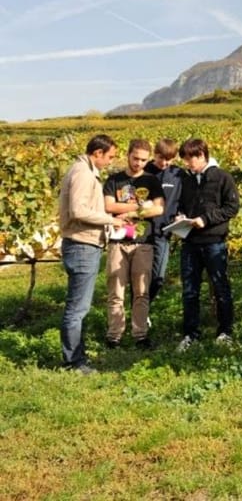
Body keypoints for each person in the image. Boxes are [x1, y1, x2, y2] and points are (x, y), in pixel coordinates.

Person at [58, 134, 127, 374]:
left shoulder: (83, 171)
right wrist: (111, 220)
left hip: (82, 245)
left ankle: (76, 357)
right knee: (77, 308)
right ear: (97, 153)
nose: (110, 161)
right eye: (109, 157)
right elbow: (78, 210)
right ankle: (73, 363)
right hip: (82, 246)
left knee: (78, 307)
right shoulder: (83, 174)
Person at [175, 139, 240, 352]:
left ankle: (225, 332)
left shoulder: (222, 177)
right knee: (189, 290)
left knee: (221, 288)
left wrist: (206, 219)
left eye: (190, 159)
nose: (187, 164)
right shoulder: (187, 180)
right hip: (190, 242)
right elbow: (183, 205)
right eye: (184, 159)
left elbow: (231, 207)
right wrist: (182, 216)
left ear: (202, 155)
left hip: (214, 242)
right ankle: (190, 334)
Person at [102, 139, 165, 349]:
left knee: (141, 291)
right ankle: (114, 336)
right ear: (128, 155)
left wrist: (130, 212)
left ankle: (140, 335)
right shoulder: (114, 180)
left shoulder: (152, 181)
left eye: (143, 160)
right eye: (135, 158)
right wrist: (137, 208)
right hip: (117, 241)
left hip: (143, 243)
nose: (139, 163)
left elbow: (158, 209)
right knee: (115, 291)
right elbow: (107, 205)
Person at [144, 138, 183, 310]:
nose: (165, 163)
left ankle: (143, 307)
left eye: (169, 160)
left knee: (158, 277)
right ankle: (139, 313)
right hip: (140, 232)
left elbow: (183, 201)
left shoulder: (178, 175)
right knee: (137, 276)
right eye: (161, 158)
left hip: (163, 233)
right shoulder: (144, 171)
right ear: (154, 154)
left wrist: (181, 215)